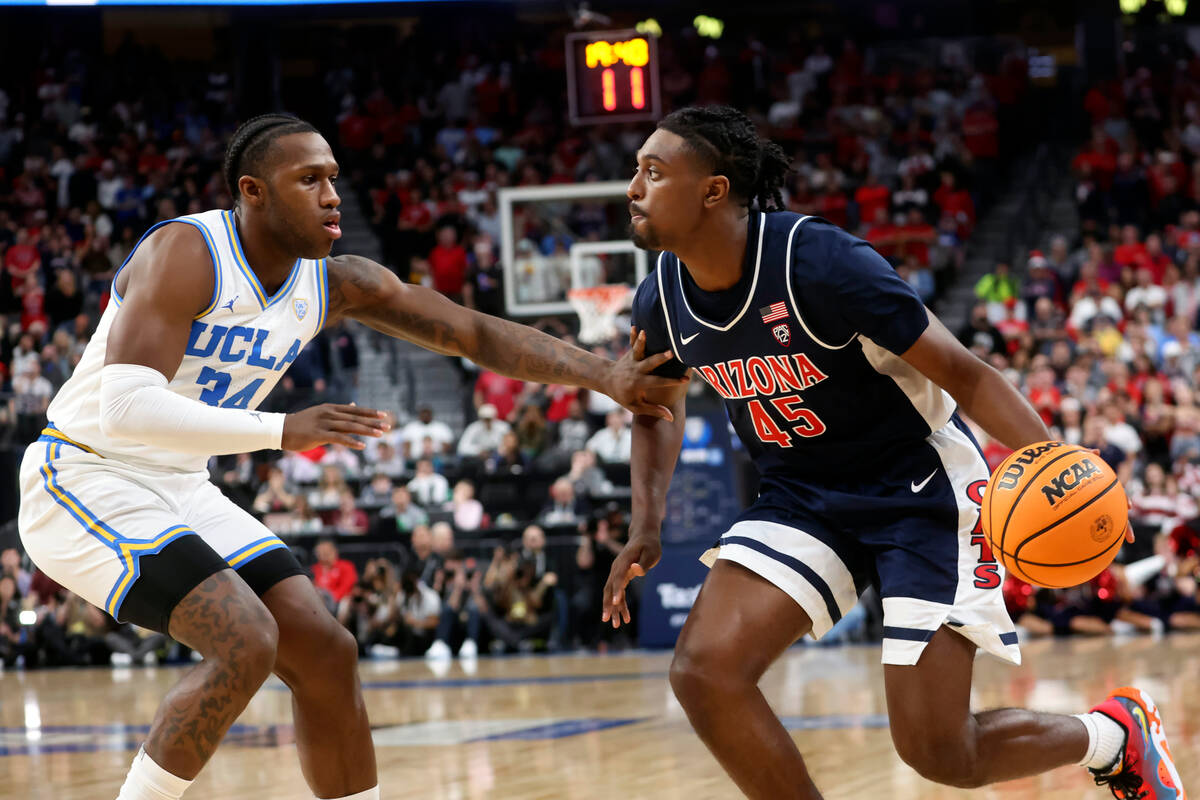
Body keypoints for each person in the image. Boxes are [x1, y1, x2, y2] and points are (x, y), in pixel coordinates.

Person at [15, 113, 685, 800]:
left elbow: (472, 333)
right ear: (253, 192)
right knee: (245, 641)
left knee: (327, 653)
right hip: (85, 474)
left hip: (180, 483)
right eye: (309, 180)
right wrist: (284, 430)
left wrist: (605, 377)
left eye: (334, 178)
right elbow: (124, 408)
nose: (332, 194)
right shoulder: (188, 252)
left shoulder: (334, 282)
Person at [605, 106, 1183, 799]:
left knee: (940, 752)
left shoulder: (821, 263)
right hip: (802, 497)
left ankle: (1115, 738)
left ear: (714, 191)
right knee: (703, 672)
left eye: (654, 171)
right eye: (636, 171)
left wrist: (1064, 469)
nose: (632, 187)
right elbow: (655, 404)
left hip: (917, 485)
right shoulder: (660, 298)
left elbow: (966, 373)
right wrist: (647, 519)